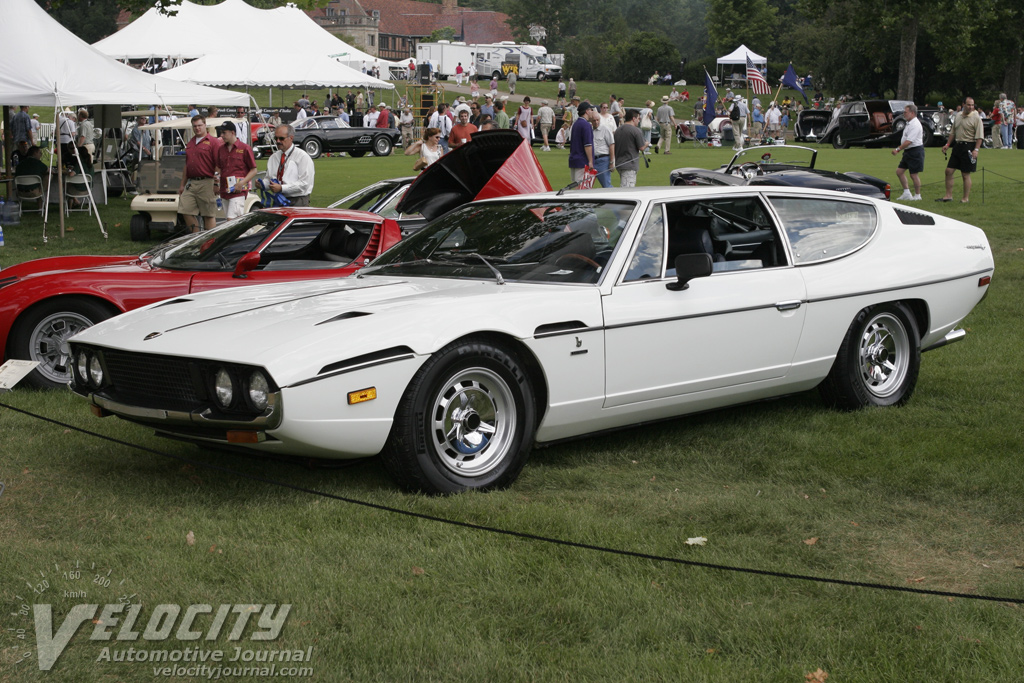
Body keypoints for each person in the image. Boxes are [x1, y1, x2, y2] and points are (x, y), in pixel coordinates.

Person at [177, 115, 222, 232]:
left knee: (208, 214)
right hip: (192, 182)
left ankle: (209, 241)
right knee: (184, 209)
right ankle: (196, 238)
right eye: (195, 126)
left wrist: (217, 183)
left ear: (205, 125)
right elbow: (187, 166)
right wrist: (182, 185)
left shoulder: (213, 142)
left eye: (199, 125)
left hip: (208, 181)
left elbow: (219, 164)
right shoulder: (190, 143)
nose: (197, 128)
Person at [938, 97, 983, 203]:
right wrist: (947, 144)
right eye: (968, 105)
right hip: (958, 146)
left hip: (969, 146)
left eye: (972, 105)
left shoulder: (976, 118)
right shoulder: (958, 115)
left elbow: (980, 137)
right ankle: (948, 196)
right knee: (948, 171)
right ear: (963, 105)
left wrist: (976, 150)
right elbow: (953, 132)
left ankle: (965, 198)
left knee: (965, 174)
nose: (971, 107)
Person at [215, 121, 257, 219]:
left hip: (238, 191)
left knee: (232, 219)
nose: (222, 135)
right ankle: (248, 233)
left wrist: (241, 183)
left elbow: (254, 170)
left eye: (224, 133)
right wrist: (215, 183)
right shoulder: (221, 149)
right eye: (221, 133)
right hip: (224, 190)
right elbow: (218, 168)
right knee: (231, 222)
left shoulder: (245, 148)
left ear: (232, 133)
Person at [265, 124, 314, 206]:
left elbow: (304, 184)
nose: (277, 141)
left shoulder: (302, 157)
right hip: (278, 199)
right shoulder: (273, 157)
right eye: (275, 138)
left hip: (298, 201)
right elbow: (269, 179)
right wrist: (262, 184)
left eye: (281, 138)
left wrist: (282, 188)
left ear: (291, 138)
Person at [892, 103, 924, 201]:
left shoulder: (915, 124)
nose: (904, 114)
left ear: (912, 113)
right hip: (908, 152)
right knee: (899, 171)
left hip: (915, 151)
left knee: (913, 174)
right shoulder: (909, 123)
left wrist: (898, 149)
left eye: (906, 112)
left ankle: (918, 195)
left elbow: (909, 141)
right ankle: (907, 193)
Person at [613, 108, 649, 188]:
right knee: (627, 189)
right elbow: (642, 147)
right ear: (633, 118)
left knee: (625, 186)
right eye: (638, 118)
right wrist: (647, 143)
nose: (639, 121)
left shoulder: (618, 130)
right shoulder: (636, 130)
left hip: (619, 163)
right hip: (629, 164)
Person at [568, 102, 596, 184]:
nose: (592, 112)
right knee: (581, 188)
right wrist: (590, 161)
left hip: (574, 160)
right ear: (587, 111)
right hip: (583, 161)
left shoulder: (576, 124)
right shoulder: (586, 125)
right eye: (591, 110)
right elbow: (587, 145)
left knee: (577, 185)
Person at [591, 111, 614, 188]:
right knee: (586, 186)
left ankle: (613, 198)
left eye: (598, 120)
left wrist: (611, 162)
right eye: (594, 120)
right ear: (591, 121)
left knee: (606, 186)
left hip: (603, 161)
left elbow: (611, 145)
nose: (596, 122)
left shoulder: (605, 129)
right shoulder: (589, 130)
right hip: (591, 161)